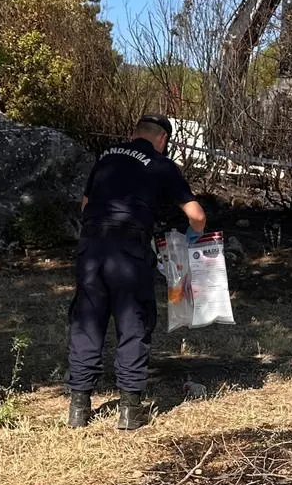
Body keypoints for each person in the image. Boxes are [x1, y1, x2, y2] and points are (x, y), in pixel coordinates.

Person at [66, 114, 206, 430]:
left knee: (87, 321)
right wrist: (192, 237)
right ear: (163, 140)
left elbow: (85, 205)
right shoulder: (161, 164)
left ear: (135, 133)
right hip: (130, 251)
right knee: (134, 322)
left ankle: (78, 408)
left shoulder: (106, 157)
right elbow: (196, 214)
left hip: (91, 249)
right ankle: (130, 411)